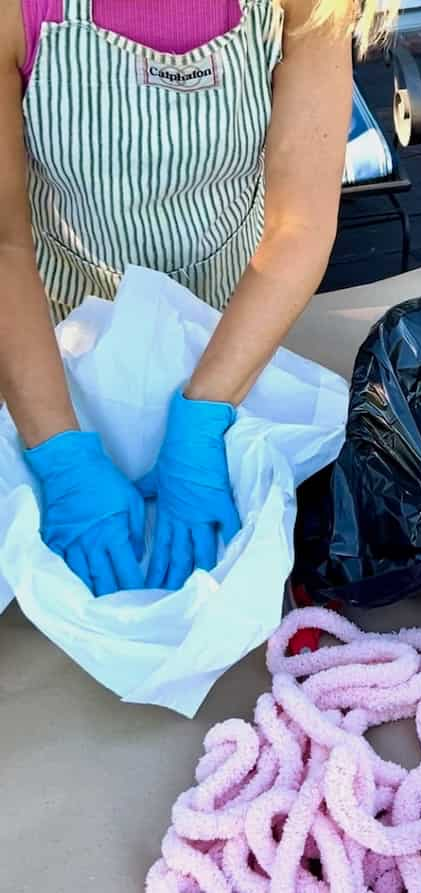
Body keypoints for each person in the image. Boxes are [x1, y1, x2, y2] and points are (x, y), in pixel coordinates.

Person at [0, 0, 391, 596]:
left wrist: (202, 418)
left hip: (235, 334)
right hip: (57, 349)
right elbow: (3, 244)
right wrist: (60, 454)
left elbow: (299, 228)